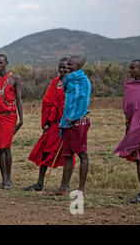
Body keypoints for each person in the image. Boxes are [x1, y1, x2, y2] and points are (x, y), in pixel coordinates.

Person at [25, 58, 72, 191]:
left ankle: (65, 185)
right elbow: (47, 102)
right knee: (45, 151)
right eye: (60, 67)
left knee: (68, 155)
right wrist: (46, 123)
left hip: (67, 125)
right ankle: (40, 183)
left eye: (65, 68)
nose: (62, 70)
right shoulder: (54, 82)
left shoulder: (72, 84)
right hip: (53, 124)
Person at [49, 56, 92, 196]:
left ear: (79, 66)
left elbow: (83, 101)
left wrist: (75, 116)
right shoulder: (68, 80)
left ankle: (81, 189)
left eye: (70, 65)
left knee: (82, 154)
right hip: (67, 122)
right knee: (67, 155)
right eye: (67, 64)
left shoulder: (83, 81)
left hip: (78, 122)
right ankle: (64, 188)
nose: (67, 67)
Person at [114, 59, 140, 203]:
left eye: (133, 68)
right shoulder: (129, 86)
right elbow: (128, 106)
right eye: (130, 68)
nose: (130, 70)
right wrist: (128, 123)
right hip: (132, 126)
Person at [0, 54, 23, 189]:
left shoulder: (15, 78)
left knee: (6, 147)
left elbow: (18, 99)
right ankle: (3, 180)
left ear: (7, 63)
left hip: (9, 117)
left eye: (1, 63)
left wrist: (22, 120)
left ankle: (9, 179)